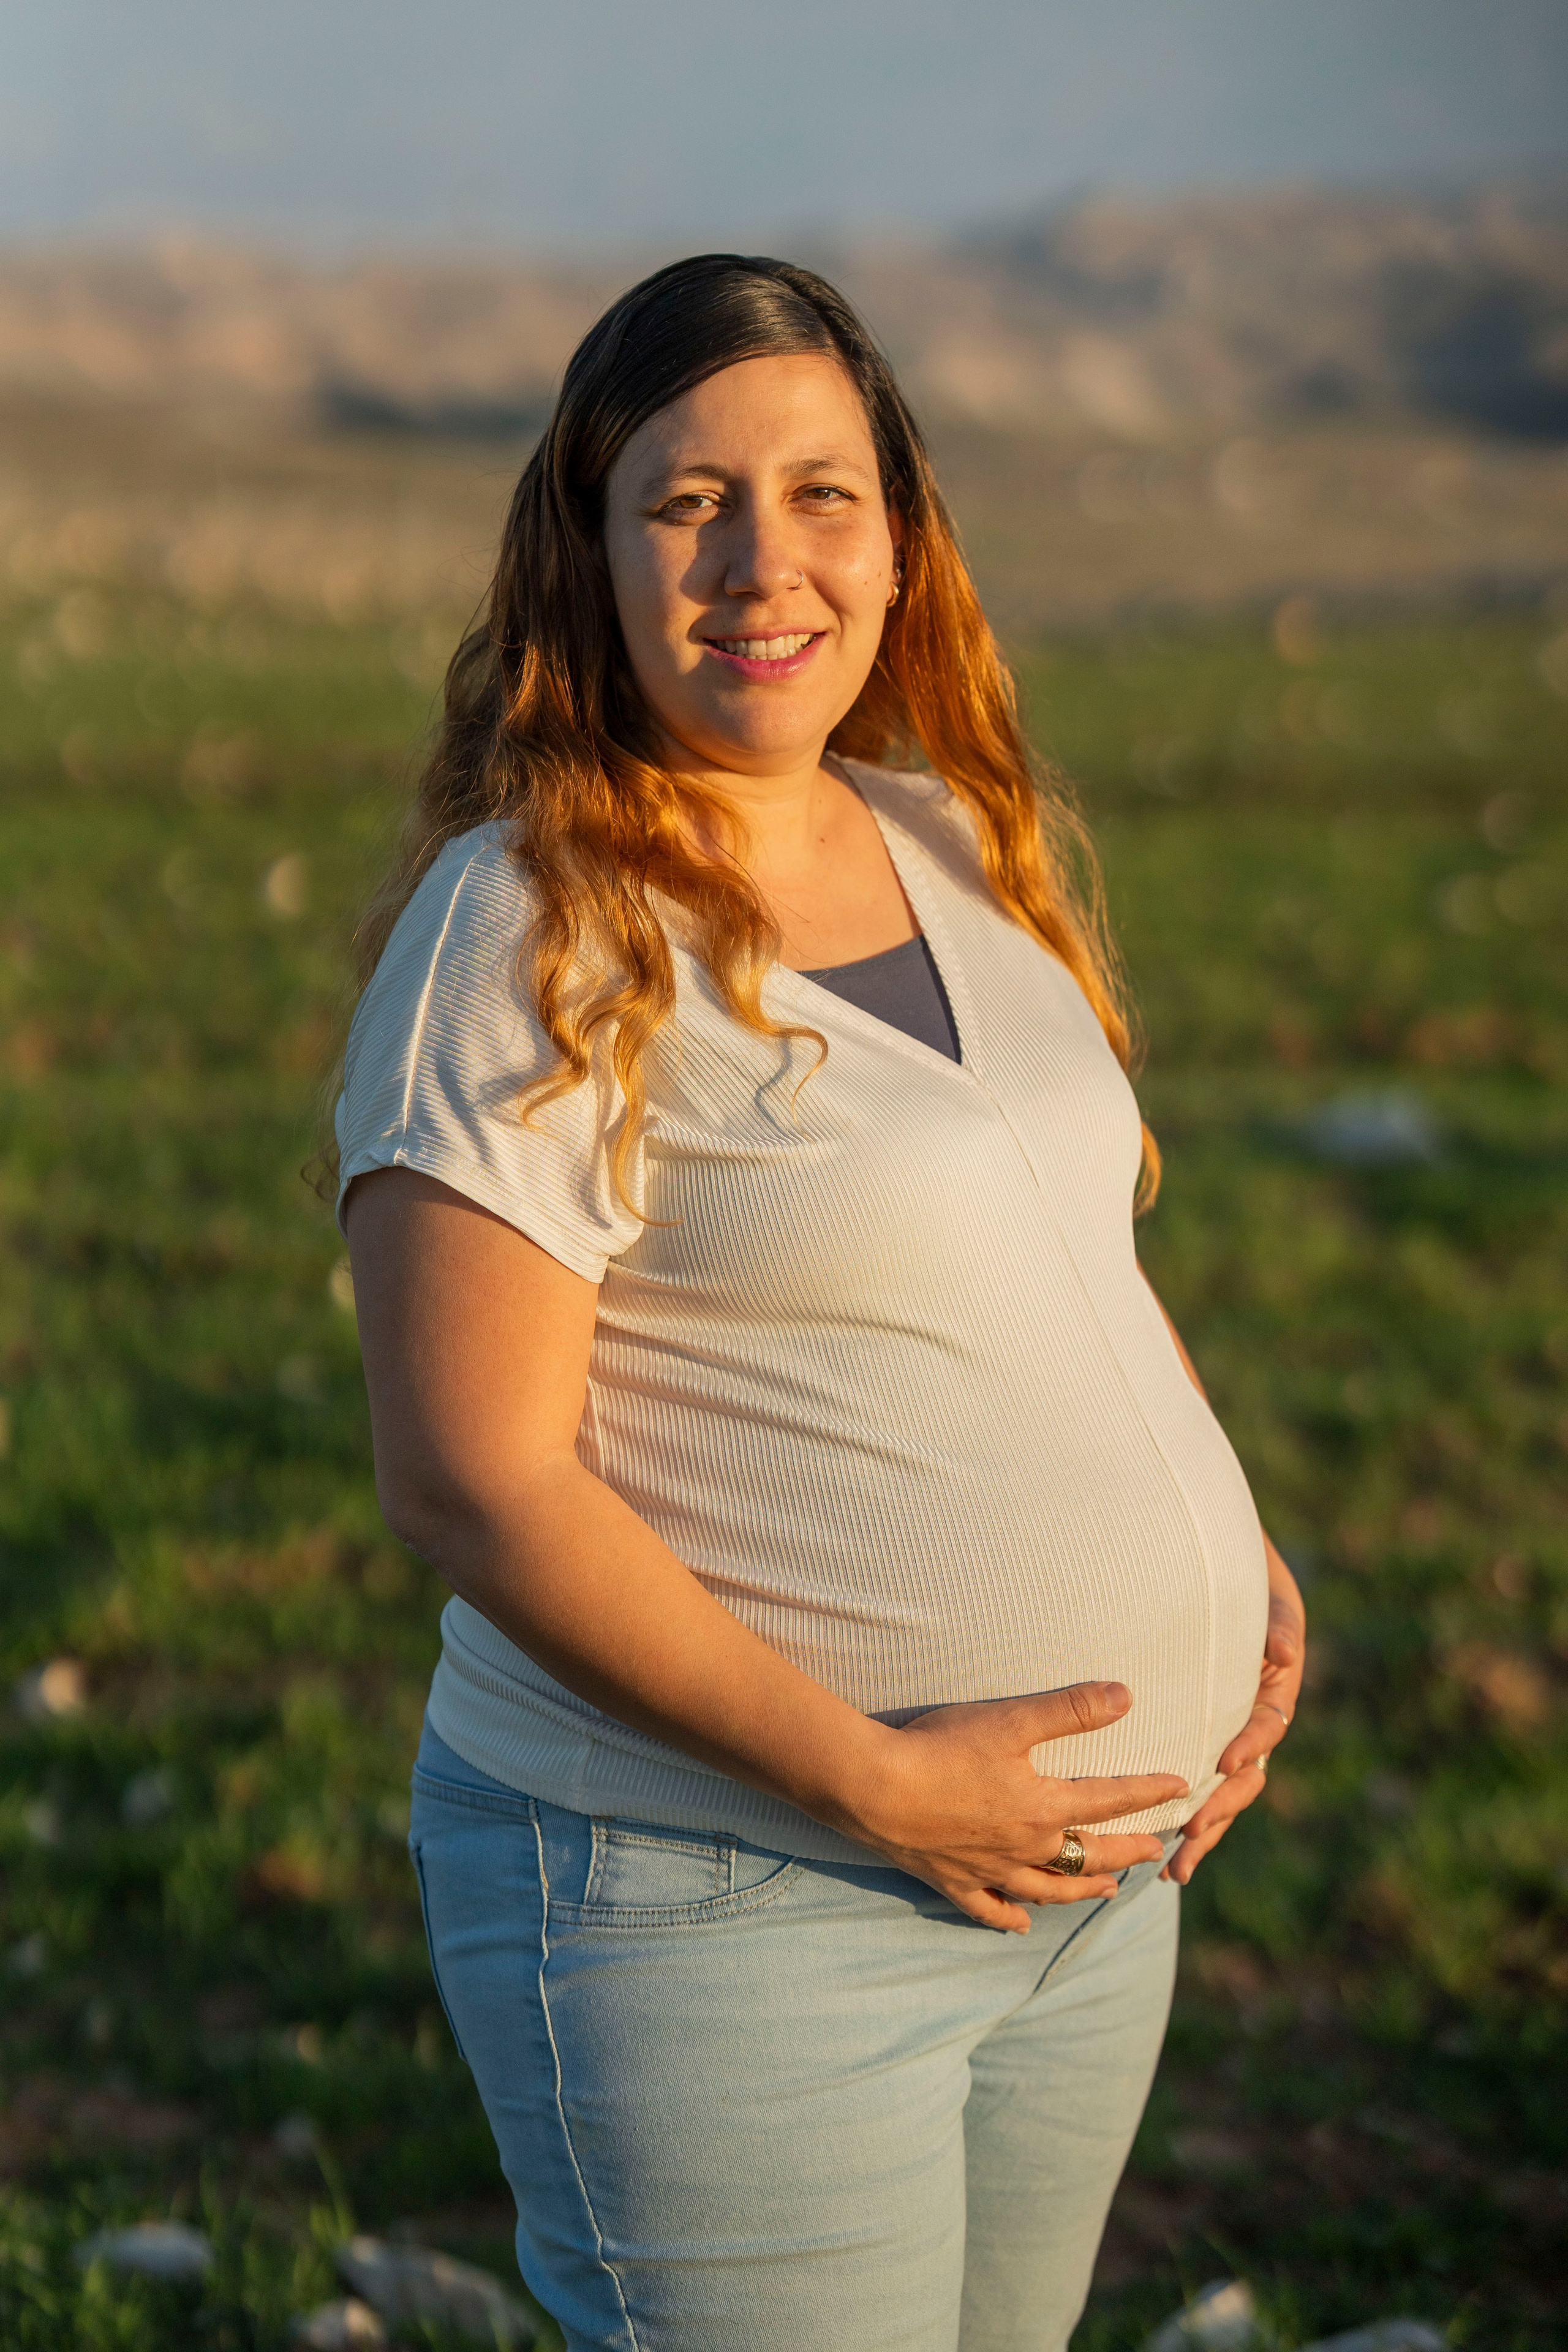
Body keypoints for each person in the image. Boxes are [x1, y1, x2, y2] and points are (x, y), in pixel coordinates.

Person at [336, 254, 1306, 2352]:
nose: (764, 563)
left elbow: (1066, 1242)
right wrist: (876, 1779)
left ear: (902, 537)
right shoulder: (522, 927)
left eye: (824, 494)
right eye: (688, 502)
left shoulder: (954, 837)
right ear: (586, 551)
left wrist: (1229, 1557)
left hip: (1082, 1894)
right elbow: (468, 1481)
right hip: (729, 1905)